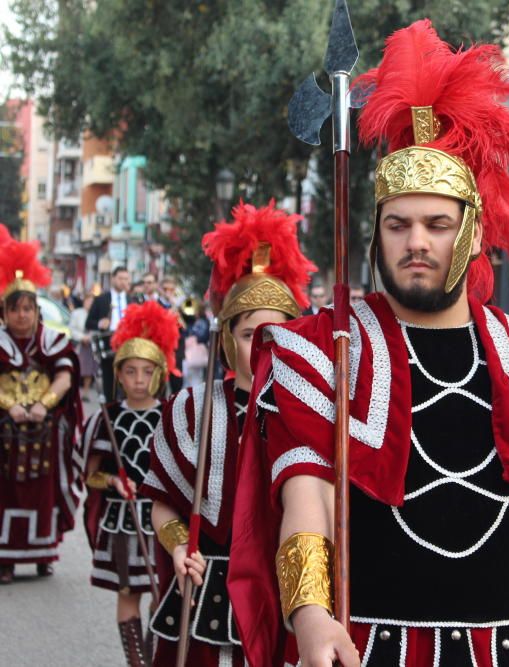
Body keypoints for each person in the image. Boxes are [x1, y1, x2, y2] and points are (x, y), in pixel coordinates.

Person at [229, 21, 509, 667]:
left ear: (470, 231)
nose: (417, 242)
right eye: (398, 223)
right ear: (376, 234)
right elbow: (307, 492)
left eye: (437, 223)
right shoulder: (322, 349)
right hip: (369, 650)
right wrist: (314, 617)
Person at [138, 201, 315, 666]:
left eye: (278, 334)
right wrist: (178, 546)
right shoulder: (189, 408)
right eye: (250, 334)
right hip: (206, 588)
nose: (263, 347)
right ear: (225, 338)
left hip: (283, 591)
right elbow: (164, 501)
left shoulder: (312, 414)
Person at [77, 301, 180, 666]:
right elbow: (88, 474)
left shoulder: (173, 415)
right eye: (130, 371)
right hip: (121, 523)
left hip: (161, 521)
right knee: (128, 592)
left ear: (160, 373)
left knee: (162, 592)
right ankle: (135, 662)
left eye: (147, 371)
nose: (138, 379)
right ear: (118, 374)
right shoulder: (106, 418)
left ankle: (155, 657)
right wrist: (111, 480)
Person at [0, 230, 84, 584]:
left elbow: (65, 376)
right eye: (15, 309)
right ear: (4, 312)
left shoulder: (51, 341)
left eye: (28, 308)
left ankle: (43, 553)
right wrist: (10, 407)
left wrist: (44, 405)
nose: (22, 315)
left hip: (43, 429)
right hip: (5, 429)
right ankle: (4, 557)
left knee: (43, 493)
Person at [87, 266, 135, 402]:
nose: (123, 282)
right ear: (113, 279)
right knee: (109, 380)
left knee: (128, 379)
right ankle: (110, 411)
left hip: (128, 343)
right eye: (120, 278)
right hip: (109, 343)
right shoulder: (102, 299)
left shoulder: (132, 300)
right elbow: (88, 322)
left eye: (126, 279)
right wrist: (99, 323)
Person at [69, 293, 97, 395]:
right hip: (79, 344)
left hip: (91, 345)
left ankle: (86, 392)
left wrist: (90, 337)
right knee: (76, 367)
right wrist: (82, 337)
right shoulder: (77, 313)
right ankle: (73, 391)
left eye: (92, 302)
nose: (90, 304)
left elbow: (98, 329)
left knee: (89, 369)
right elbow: (72, 329)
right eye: (88, 301)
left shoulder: (95, 315)